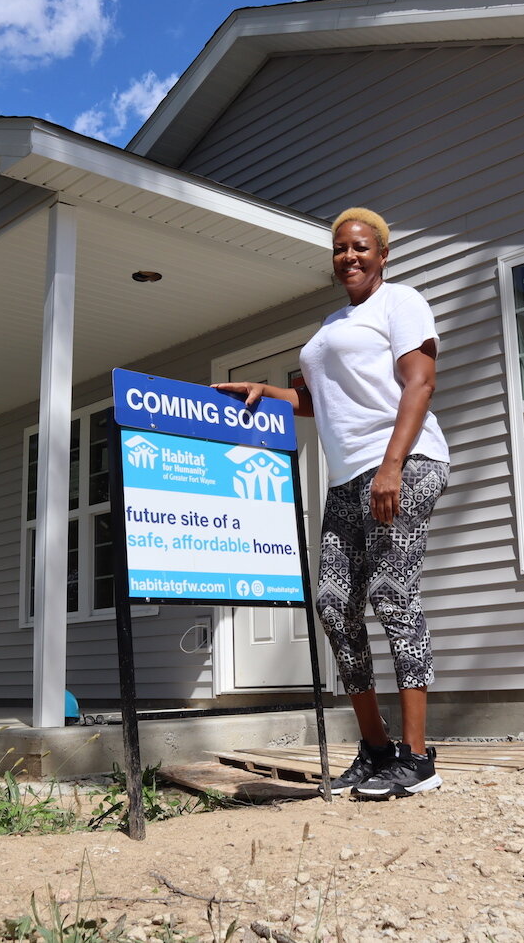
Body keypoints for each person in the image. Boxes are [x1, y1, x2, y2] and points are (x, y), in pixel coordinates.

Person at [215, 207, 449, 799]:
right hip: (347, 480)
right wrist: (268, 392)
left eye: (361, 247)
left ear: (383, 253)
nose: (349, 256)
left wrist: (393, 465)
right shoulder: (332, 322)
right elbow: (326, 398)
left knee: (394, 594)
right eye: (341, 248)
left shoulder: (401, 303)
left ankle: (418, 758)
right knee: (333, 603)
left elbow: (419, 382)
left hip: (405, 463)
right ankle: (375, 750)